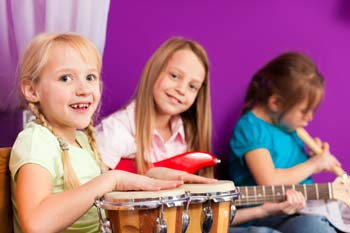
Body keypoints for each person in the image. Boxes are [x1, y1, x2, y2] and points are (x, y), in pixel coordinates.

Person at [9, 33, 184, 233]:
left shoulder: (82, 141)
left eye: (90, 77)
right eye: (66, 78)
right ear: (32, 90)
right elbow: (36, 223)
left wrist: (149, 177)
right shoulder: (37, 141)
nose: (84, 89)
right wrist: (110, 180)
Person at [229, 52, 340, 232]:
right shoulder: (250, 128)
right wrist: (314, 165)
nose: (310, 118)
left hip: (303, 208)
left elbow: (292, 170)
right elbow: (270, 181)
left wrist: (309, 158)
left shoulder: (288, 127)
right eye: (304, 111)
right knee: (316, 229)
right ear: (276, 103)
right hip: (271, 215)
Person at [96, 37, 214, 178]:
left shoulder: (189, 136)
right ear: (155, 70)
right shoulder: (116, 129)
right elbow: (92, 187)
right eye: (175, 76)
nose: (182, 90)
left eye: (192, 86)